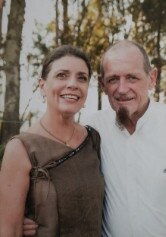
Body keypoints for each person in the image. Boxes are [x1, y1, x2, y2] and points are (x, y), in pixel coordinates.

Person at [22, 40, 166, 236]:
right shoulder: (91, 129)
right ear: (103, 84)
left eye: (132, 77)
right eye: (113, 79)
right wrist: (29, 214)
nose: (122, 88)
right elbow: (60, 179)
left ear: (152, 78)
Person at [0, 45, 104, 236]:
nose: (73, 84)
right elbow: (8, 230)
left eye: (81, 78)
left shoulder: (93, 140)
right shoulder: (21, 148)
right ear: (42, 86)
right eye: (62, 75)